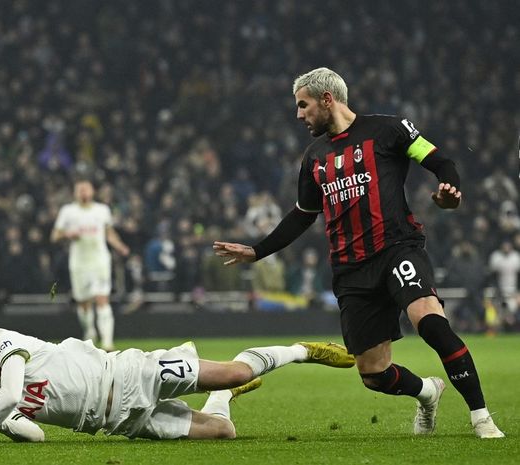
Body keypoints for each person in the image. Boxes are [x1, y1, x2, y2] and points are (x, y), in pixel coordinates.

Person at [213, 67, 504, 439]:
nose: (298, 115)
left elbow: (441, 162)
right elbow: (304, 214)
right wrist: (257, 250)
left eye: (303, 105)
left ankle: (481, 416)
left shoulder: (389, 130)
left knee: (430, 322)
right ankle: (428, 392)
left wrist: (451, 192)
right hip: (351, 270)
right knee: (374, 375)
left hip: (397, 248)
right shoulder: (314, 156)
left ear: (327, 100)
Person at [0, 328, 355, 443]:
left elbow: (12, 392)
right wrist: (0, 422)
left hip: (129, 374)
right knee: (223, 431)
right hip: (123, 422)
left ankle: (302, 350)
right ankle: (222, 399)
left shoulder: (1, 340)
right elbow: (37, 433)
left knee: (237, 371)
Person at [51, 179, 129, 351]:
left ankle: (108, 342)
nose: (84, 192)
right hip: (79, 263)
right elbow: (55, 235)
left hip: (100, 260)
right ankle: (90, 330)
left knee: (102, 298)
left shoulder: (102, 210)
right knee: (84, 303)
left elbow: (109, 233)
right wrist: (67, 233)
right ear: (75, 193)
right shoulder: (68, 211)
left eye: (87, 189)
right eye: (80, 189)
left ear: (92, 191)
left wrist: (120, 246)